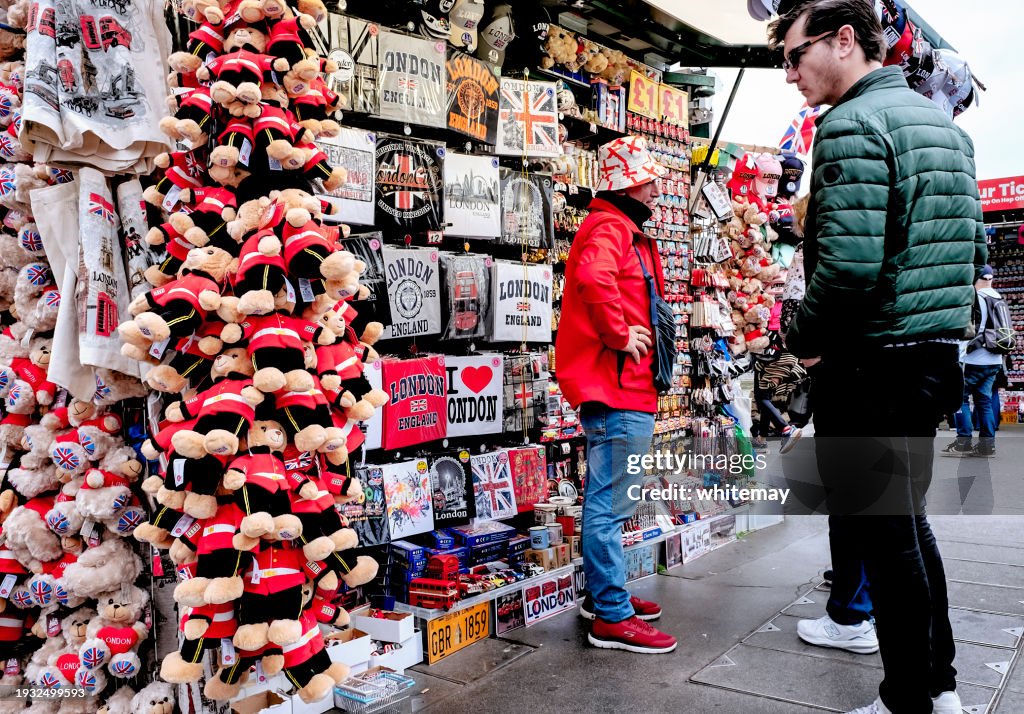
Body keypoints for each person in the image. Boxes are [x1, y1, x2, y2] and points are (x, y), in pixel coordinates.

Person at [768, 2, 986, 714]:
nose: (790, 73)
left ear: (843, 40)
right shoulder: (943, 130)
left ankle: (909, 701)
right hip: (928, 360)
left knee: (888, 538)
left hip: (873, 365)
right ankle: (938, 686)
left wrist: (800, 334)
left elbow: (850, 269)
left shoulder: (851, 124)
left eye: (794, 56)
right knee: (907, 528)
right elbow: (968, 255)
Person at [555, 135, 677, 654]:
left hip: (622, 386)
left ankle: (607, 596)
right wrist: (620, 334)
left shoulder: (616, 226)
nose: (654, 192)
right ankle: (610, 614)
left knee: (610, 500)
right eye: (649, 182)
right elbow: (592, 277)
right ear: (628, 184)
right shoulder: (611, 227)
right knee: (607, 504)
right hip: (617, 386)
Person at [946, 266, 1006, 457]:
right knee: (984, 402)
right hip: (994, 359)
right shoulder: (998, 297)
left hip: (972, 359)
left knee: (960, 399)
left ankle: (963, 441)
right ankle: (987, 445)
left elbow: (968, 329)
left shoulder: (975, 297)